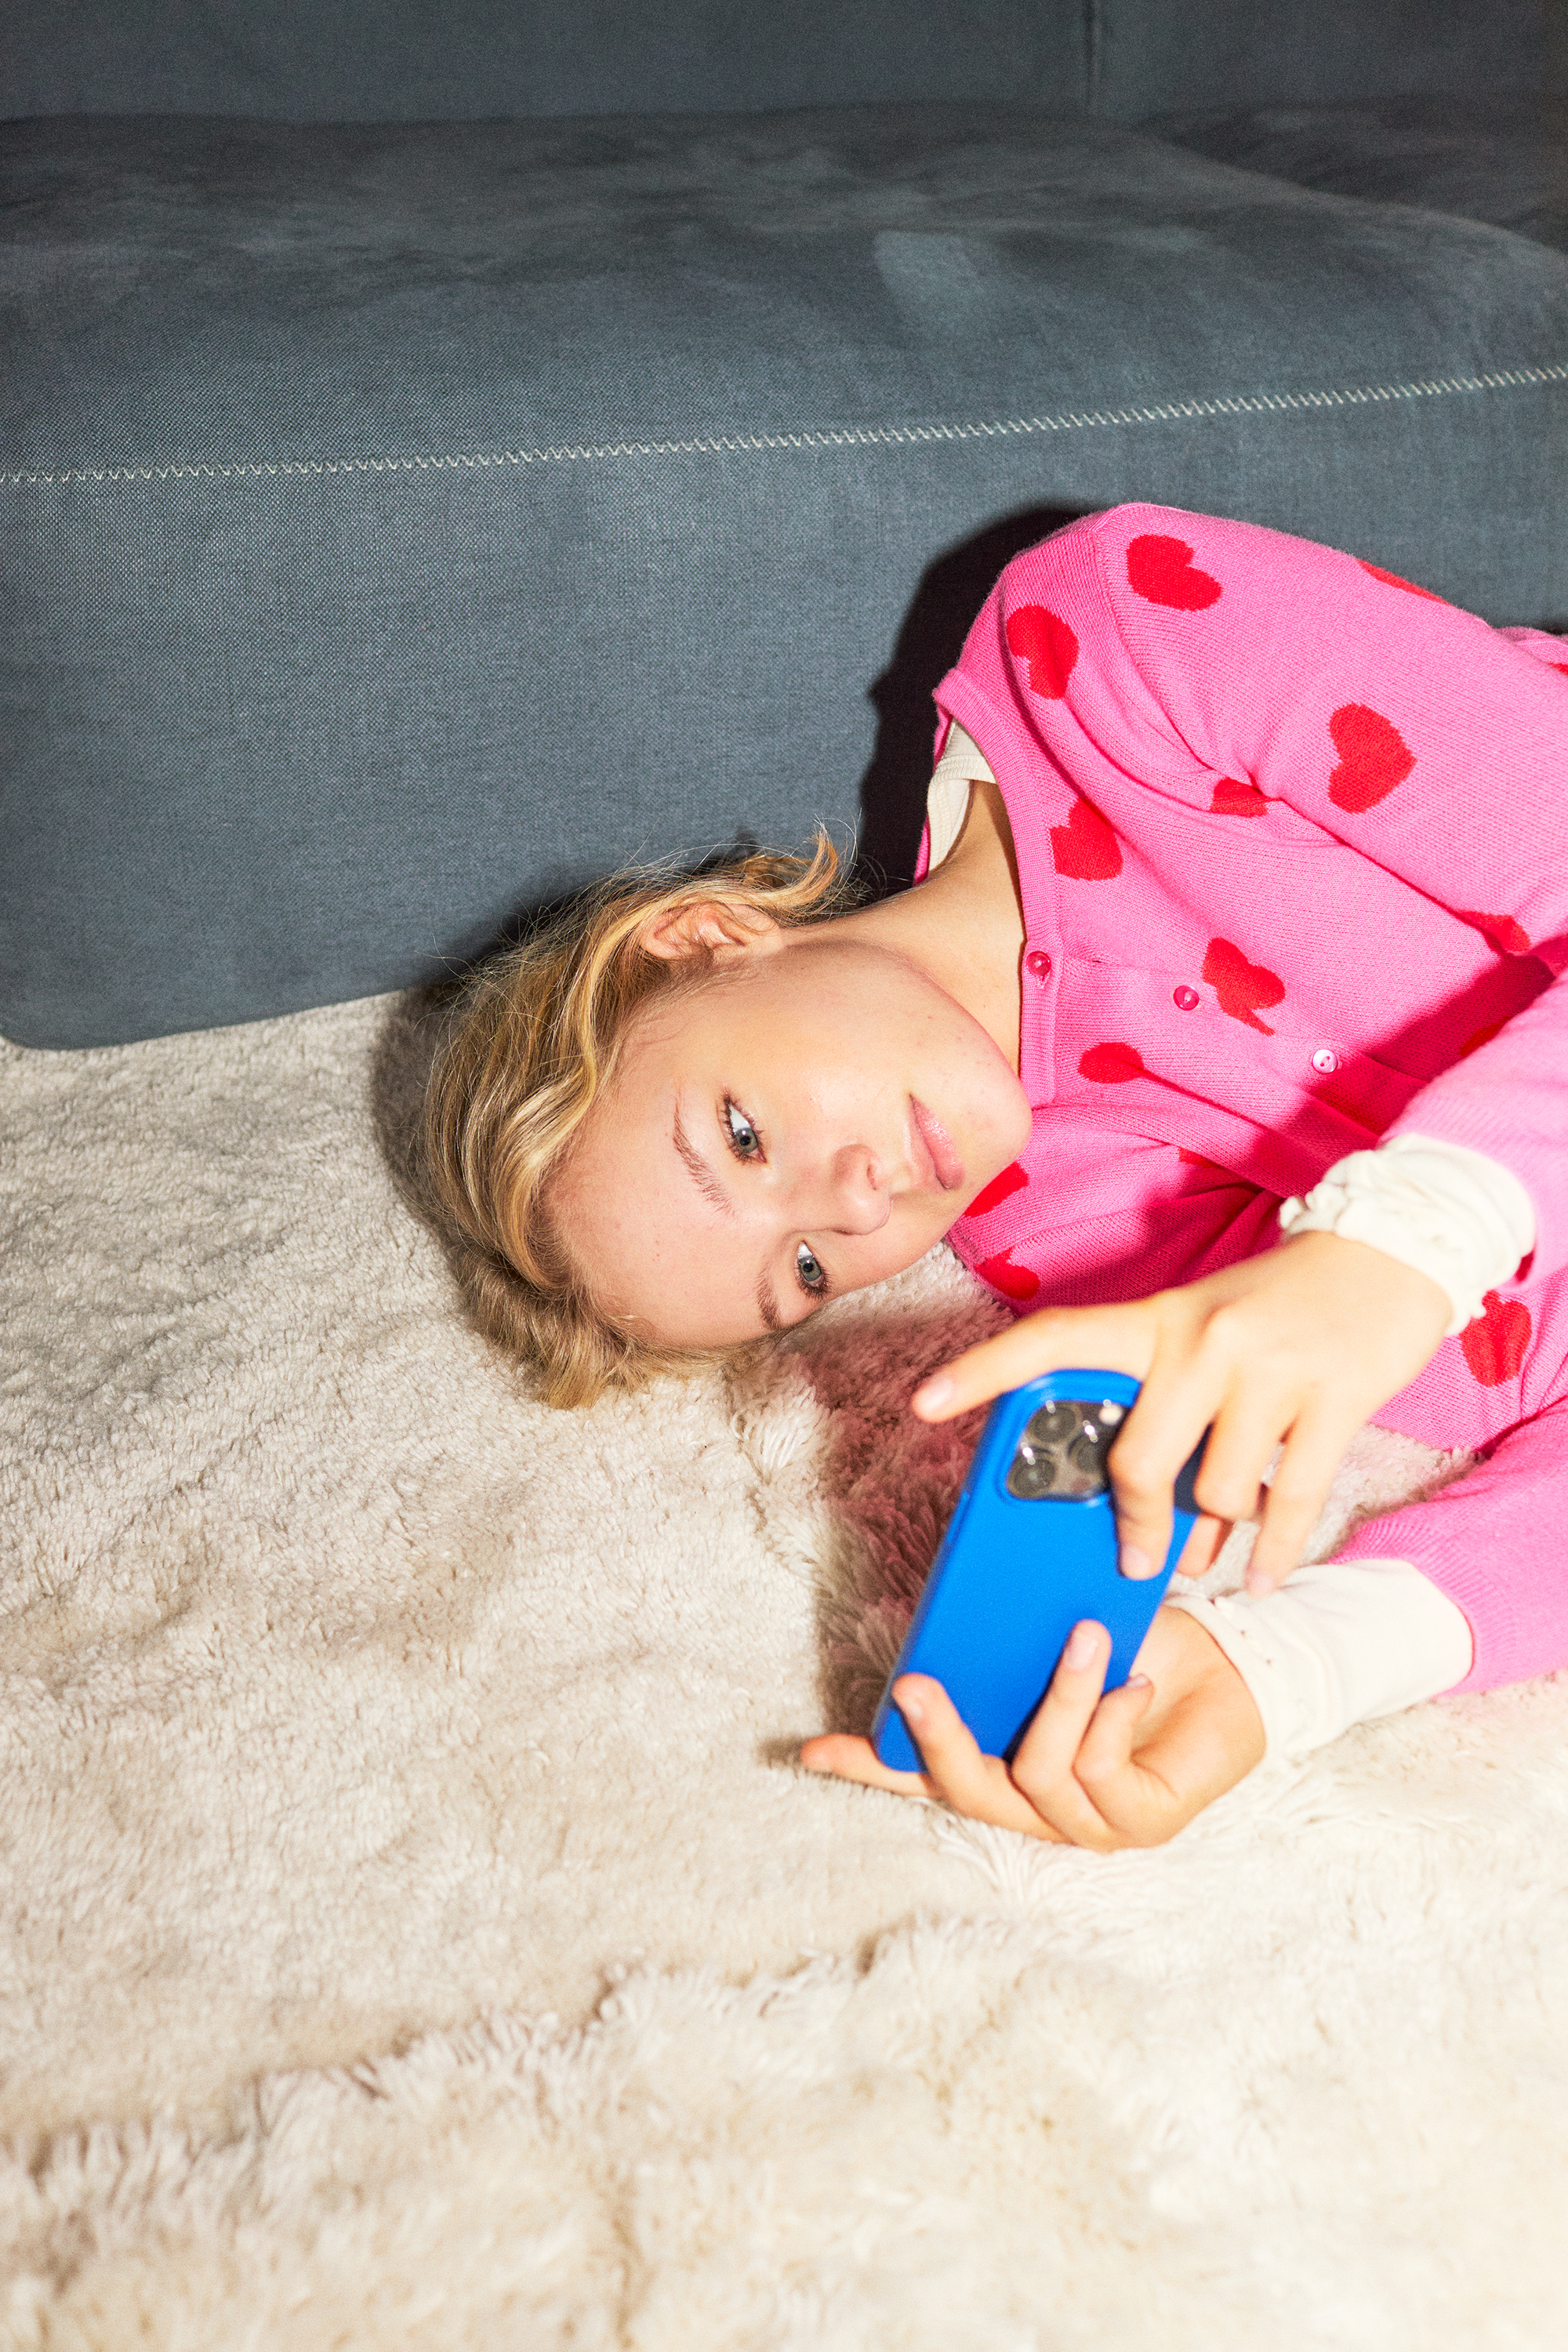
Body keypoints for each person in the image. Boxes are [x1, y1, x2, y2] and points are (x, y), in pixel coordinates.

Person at [423, 502, 1568, 1849]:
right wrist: (1299, 1663)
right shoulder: (1060, 1230)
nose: (856, 1208)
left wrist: (1404, 1241)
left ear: (702, 938)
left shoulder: (1104, 639)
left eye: (741, 1135)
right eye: (803, 1271)